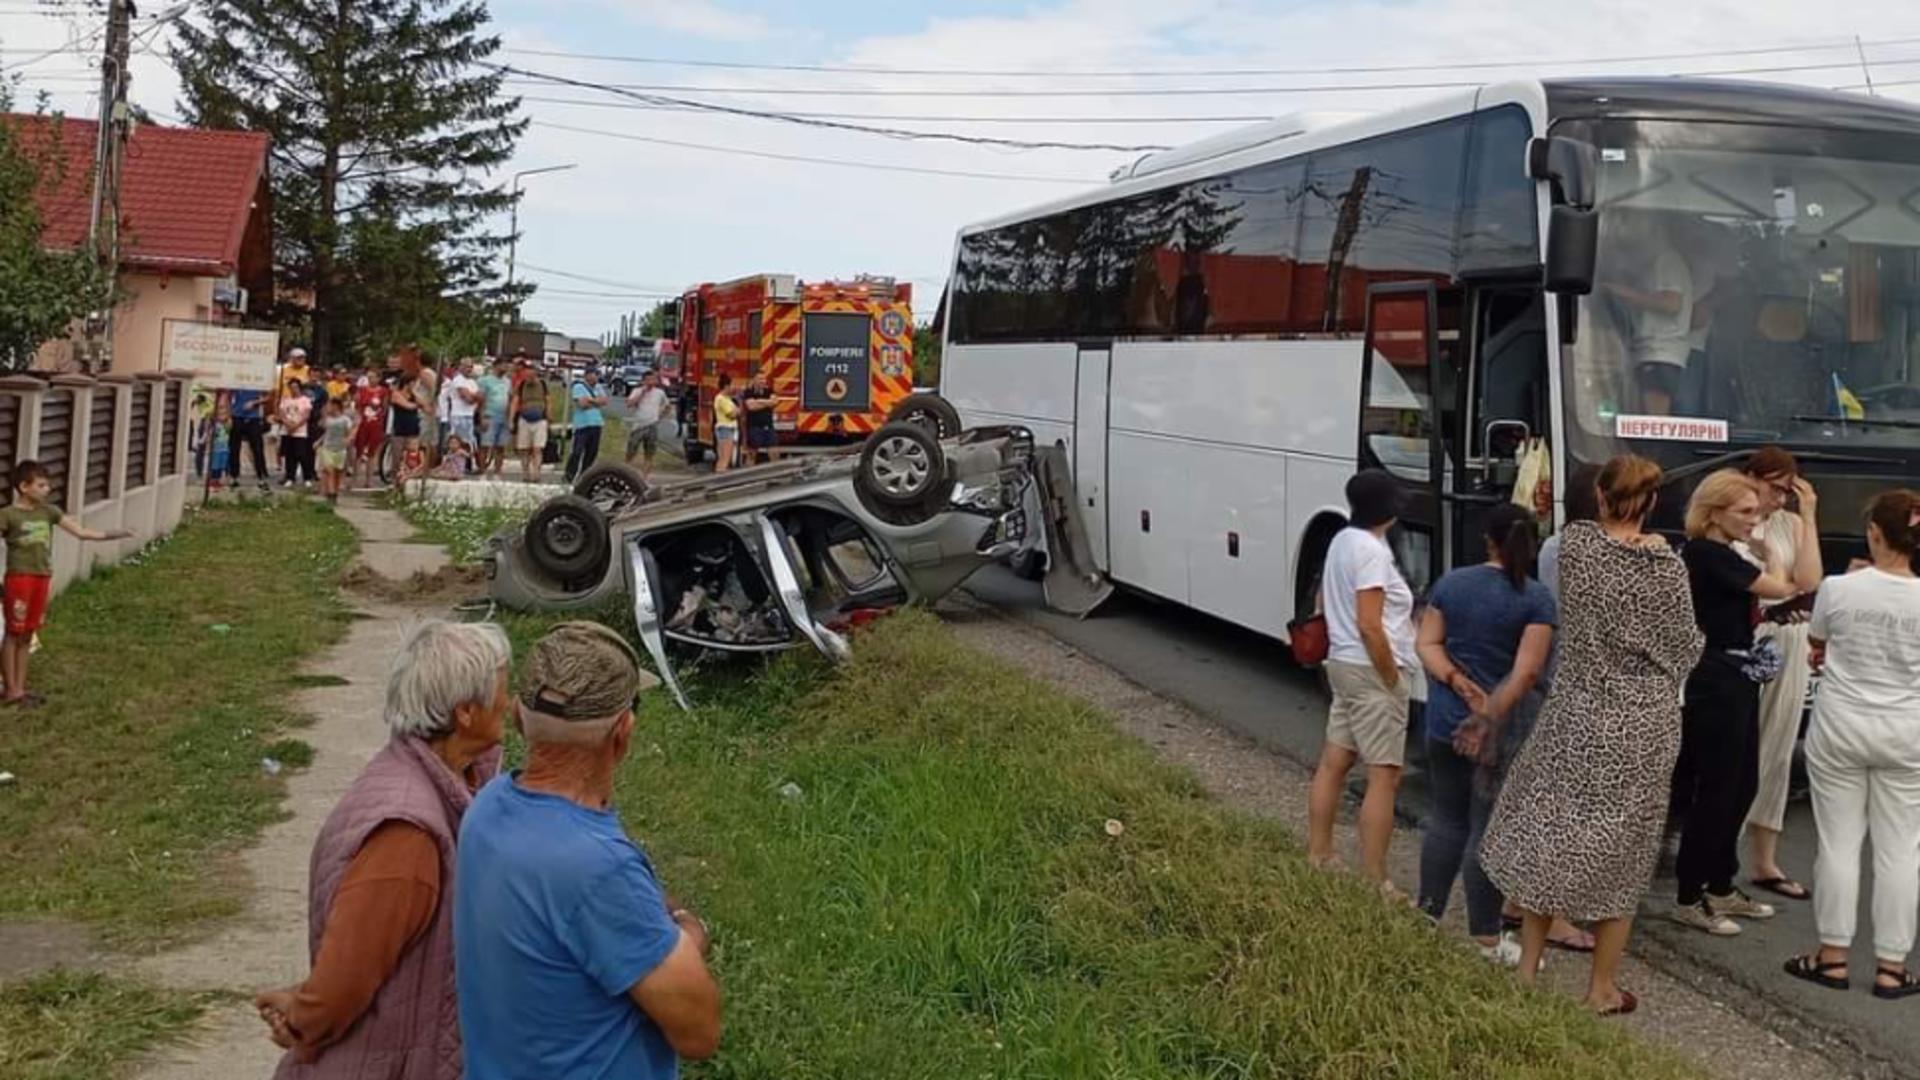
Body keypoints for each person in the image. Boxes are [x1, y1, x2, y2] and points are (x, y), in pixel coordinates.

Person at [1480, 455, 1705, 1016]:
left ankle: (1528, 972)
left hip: (1576, 710)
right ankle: (1600, 988)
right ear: (1653, 504)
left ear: (1600, 498)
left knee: (1552, 832)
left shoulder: (1576, 545)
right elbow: (1683, 650)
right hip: (1641, 722)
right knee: (1625, 849)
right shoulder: (1666, 569)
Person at [455, 623, 722, 1078]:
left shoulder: (488, 807)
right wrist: (686, 930)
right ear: (623, 730)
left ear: (520, 716)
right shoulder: (598, 869)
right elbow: (699, 1031)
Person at [253, 620, 510, 1076]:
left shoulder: (455, 783)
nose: (511, 704)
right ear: (466, 712)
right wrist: (304, 1016)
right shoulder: (406, 834)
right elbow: (348, 973)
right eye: (504, 691)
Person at [1670, 469, 1822, 935]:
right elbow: (1782, 583)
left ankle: (1721, 883)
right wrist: (1770, 557)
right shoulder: (1707, 553)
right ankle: (1689, 894)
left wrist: (1775, 611)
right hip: (1713, 677)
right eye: (1745, 512)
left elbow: (1753, 604)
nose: (1753, 521)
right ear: (1714, 513)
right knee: (1715, 788)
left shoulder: (1723, 555)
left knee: (1741, 782)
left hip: (1737, 668)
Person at [1784, 490, 1920, 999]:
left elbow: (1818, 642)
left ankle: (1832, 957)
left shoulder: (1839, 589)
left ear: (1875, 534)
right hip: (1907, 731)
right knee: (1901, 850)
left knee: (1838, 843)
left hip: (1841, 726)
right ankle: (1891, 966)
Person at [1415, 504, 1557, 965]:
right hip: (1503, 733)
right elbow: (1525, 672)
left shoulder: (1452, 583)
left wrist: (1456, 683)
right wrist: (1488, 718)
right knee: (1487, 829)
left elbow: (1427, 644)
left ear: (1487, 540)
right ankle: (1486, 939)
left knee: (1446, 819)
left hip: (1442, 722)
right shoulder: (1536, 599)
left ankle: (1427, 917)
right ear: (1532, 543)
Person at [1306, 470, 1417, 894]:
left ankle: (1319, 854)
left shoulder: (1341, 540)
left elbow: (1322, 600)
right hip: (1370, 670)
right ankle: (1376, 879)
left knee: (1334, 762)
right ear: (1387, 509)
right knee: (1384, 776)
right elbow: (1371, 624)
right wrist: (1392, 675)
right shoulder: (1371, 552)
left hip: (1341, 663)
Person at [1742, 448, 1819, 902]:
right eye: (1773, 488)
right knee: (1737, 747)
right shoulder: (1734, 519)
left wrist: (1807, 516)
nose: (1778, 498)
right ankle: (1719, 855)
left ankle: (1765, 858)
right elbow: (1763, 580)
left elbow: (1809, 579)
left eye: (1786, 490)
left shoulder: (1790, 524)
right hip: (1752, 636)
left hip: (1791, 639)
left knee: (1778, 743)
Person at [0, 461, 133, 707]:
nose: (47, 489)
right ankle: (11, 689)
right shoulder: (8, 515)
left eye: (47, 484)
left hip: (41, 578)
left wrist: (114, 534)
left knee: (28, 632)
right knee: (13, 632)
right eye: (40, 485)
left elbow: (80, 532)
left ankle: (21, 686)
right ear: (23, 487)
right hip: (19, 579)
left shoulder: (49, 512)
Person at [1601, 213, 1693, 416]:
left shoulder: (1668, 260)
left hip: (1661, 353)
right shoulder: (1651, 264)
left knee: (1655, 422)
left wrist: (1622, 292)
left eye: (1630, 220)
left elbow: (1672, 303)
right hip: (1647, 352)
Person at [510, 357, 551, 484]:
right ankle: (525, 473)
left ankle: (536, 473)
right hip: (524, 419)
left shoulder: (543, 385)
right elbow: (515, 402)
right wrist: (511, 420)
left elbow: (548, 401)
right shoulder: (521, 385)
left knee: (537, 448)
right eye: (527, 373)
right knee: (524, 448)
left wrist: (549, 417)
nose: (529, 376)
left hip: (540, 420)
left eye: (531, 373)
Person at [625, 371, 670, 480]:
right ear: (643, 381)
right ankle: (627, 474)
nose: (650, 382)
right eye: (648, 380)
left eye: (653, 379)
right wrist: (642, 393)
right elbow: (629, 404)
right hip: (639, 426)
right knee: (631, 452)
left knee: (649, 454)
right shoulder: (637, 391)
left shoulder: (660, 393)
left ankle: (644, 478)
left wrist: (660, 417)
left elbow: (667, 406)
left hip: (652, 425)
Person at [566, 368, 608, 483]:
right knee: (577, 452)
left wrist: (591, 400)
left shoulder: (599, 387)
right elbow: (582, 404)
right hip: (582, 425)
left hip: (596, 424)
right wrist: (596, 402)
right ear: (587, 376)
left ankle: (584, 477)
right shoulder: (578, 387)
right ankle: (569, 476)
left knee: (591, 453)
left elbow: (604, 401)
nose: (596, 377)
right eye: (594, 375)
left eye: (597, 375)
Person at [228, 388, 272, 494]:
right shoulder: (236, 380)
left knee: (257, 448)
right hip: (237, 416)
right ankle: (234, 477)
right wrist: (228, 413)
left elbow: (268, 397)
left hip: (253, 418)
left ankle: (261, 477)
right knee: (234, 448)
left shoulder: (257, 382)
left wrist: (255, 402)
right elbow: (228, 394)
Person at [352, 367, 390, 490]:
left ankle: (369, 480)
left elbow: (384, 408)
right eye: (369, 377)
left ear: (379, 378)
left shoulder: (384, 391)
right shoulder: (361, 390)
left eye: (373, 377)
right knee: (359, 451)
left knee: (372, 453)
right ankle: (355, 478)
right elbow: (357, 407)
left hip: (375, 424)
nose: (370, 379)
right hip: (363, 423)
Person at [278, 379, 317, 488]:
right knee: (289, 455)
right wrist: (287, 424)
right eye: (291, 387)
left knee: (302, 455)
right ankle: (290, 477)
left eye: (295, 387)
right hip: (287, 430)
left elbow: (306, 415)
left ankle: (307, 477)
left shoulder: (305, 400)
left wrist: (296, 426)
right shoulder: (285, 399)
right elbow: (282, 414)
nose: (293, 389)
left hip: (300, 431)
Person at [477, 357, 512, 477]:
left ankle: (498, 471)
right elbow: (481, 400)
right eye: (504, 365)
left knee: (501, 446)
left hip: (503, 417)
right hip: (490, 415)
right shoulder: (485, 380)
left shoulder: (507, 381)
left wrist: (509, 417)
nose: (506, 368)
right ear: (496, 366)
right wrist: (482, 416)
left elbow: (509, 398)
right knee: (486, 445)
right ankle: (483, 471)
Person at [316, 399, 354, 504]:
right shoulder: (328, 419)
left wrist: (348, 439)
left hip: (340, 449)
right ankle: (330, 493)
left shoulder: (345, 420)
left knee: (337, 473)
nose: (328, 408)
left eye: (329, 406)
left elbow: (350, 432)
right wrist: (319, 442)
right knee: (329, 470)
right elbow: (326, 432)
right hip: (327, 448)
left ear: (336, 406)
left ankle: (334, 492)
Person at [446, 360, 481, 468]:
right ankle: (453, 464)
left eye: (471, 367)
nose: (469, 369)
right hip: (457, 415)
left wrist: (473, 396)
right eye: (466, 366)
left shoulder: (473, 382)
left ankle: (468, 465)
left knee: (470, 441)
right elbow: (467, 398)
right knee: (456, 441)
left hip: (469, 415)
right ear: (460, 367)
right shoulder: (457, 380)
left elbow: (481, 397)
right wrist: (474, 396)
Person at [740, 372, 775, 466]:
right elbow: (751, 407)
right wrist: (767, 403)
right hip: (754, 427)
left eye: (764, 379)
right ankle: (748, 475)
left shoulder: (770, 391)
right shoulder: (749, 392)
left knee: (774, 452)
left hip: (768, 426)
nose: (762, 381)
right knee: (751, 454)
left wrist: (758, 401)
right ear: (754, 380)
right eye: (760, 379)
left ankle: (775, 475)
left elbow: (774, 402)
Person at [712, 376, 739, 475]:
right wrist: (737, 411)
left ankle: (720, 475)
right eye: (732, 385)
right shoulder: (721, 399)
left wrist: (736, 410)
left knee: (724, 456)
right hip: (725, 428)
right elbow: (731, 414)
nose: (734, 387)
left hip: (727, 429)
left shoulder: (727, 399)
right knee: (725, 457)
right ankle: (721, 476)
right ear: (726, 386)